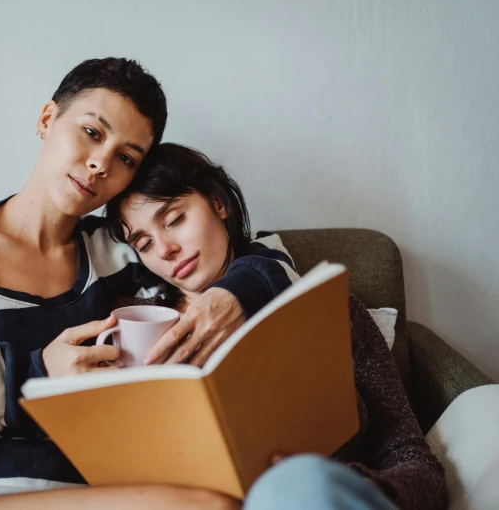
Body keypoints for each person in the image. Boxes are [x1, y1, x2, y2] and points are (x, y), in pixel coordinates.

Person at [0, 59, 297, 510]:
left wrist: (230, 298)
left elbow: (262, 257)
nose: (101, 164)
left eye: (126, 158)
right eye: (90, 132)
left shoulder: (121, 254)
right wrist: (31, 377)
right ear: (47, 120)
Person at [103, 142, 449, 510]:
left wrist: (366, 489)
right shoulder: (133, 333)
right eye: (144, 243)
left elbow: (412, 456)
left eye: (174, 220)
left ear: (218, 204)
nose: (165, 249)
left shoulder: (328, 310)